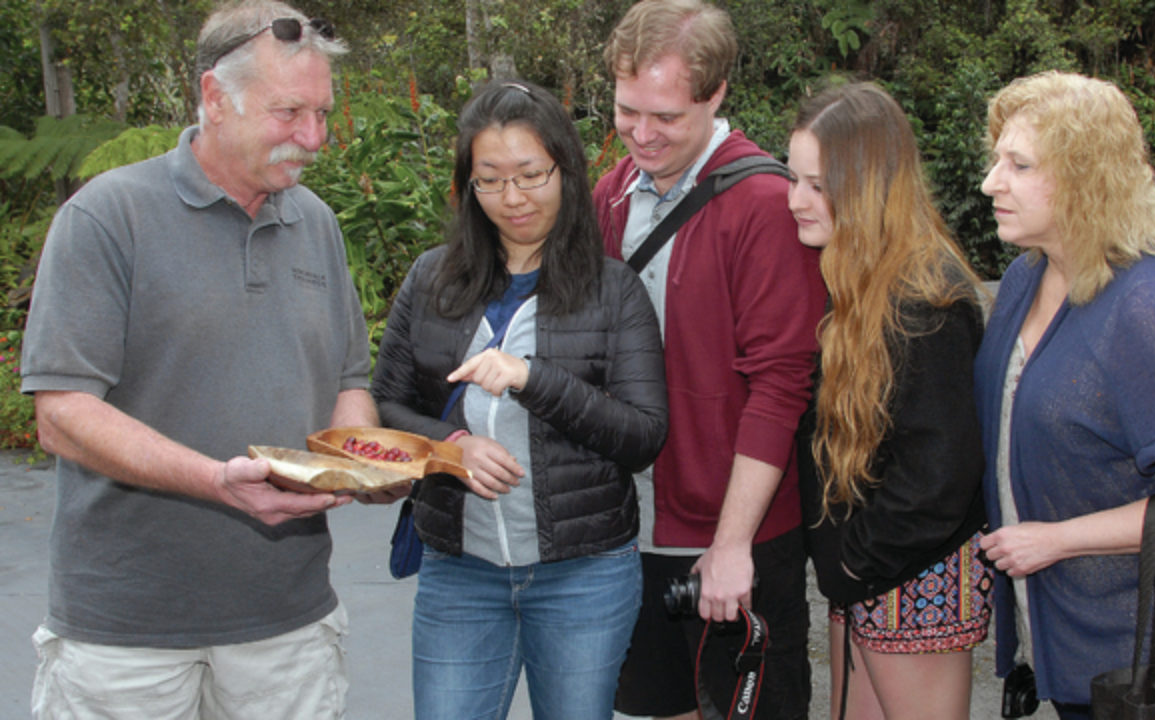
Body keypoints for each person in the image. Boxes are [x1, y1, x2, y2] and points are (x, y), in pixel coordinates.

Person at [19, 2, 381, 718]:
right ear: (216, 98)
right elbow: (61, 417)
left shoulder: (315, 223)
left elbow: (347, 382)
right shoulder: (106, 217)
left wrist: (364, 461)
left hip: (289, 626)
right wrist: (217, 481)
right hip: (127, 638)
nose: (314, 137)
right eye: (289, 113)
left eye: (322, 112)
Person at [974, 70, 1155, 719]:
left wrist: (1056, 539)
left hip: (1149, 655)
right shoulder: (1026, 277)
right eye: (998, 160)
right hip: (1069, 635)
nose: (992, 182)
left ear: (1086, 179)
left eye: (1018, 165)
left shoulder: (1147, 307)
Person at [371, 79, 668, 720]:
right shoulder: (431, 279)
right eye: (491, 180)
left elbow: (644, 433)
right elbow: (385, 405)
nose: (513, 198)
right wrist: (451, 449)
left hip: (583, 576)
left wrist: (534, 379)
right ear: (468, 184)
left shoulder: (613, 291)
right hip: (460, 571)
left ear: (564, 169)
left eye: (531, 175)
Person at [593, 1, 827, 717]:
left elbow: (782, 386)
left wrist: (733, 545)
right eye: (628, 110)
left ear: (717, 92)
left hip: (736, 535)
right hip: (631, 528)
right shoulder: (611, 194)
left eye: (665, 116)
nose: (642, 133)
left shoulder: (762, 205)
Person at [788, 81, 994, 720]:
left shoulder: (926, 298)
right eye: (792, 178)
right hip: (868, 577)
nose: (796, 200)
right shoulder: (852, 273)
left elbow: (941, 474)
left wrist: (852, 566)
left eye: (817, 185)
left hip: (913, 576)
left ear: (871, 184)